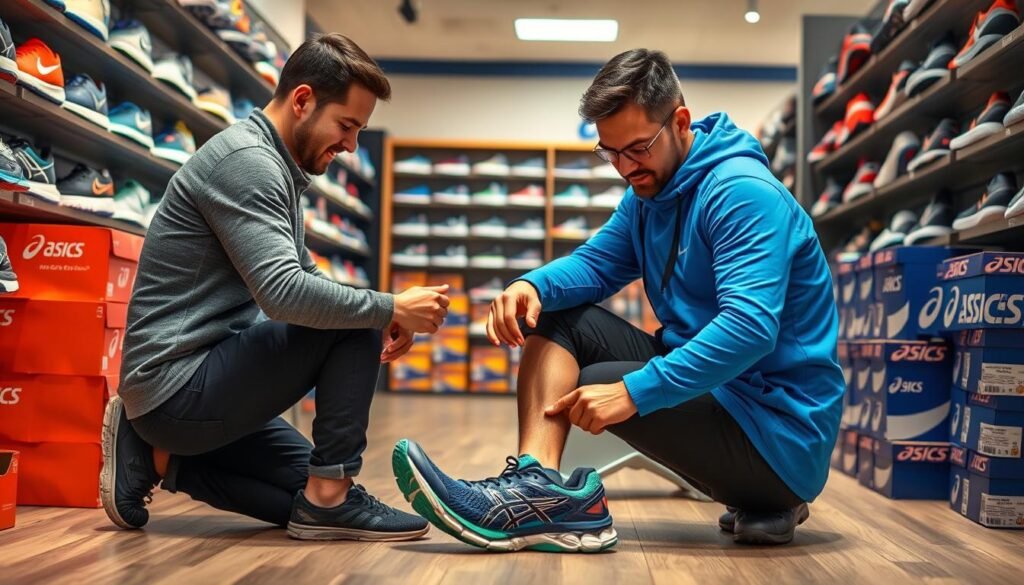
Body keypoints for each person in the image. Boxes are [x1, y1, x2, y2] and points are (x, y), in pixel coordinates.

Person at [393, 48, 844, 550]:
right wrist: (531, 285)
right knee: (557, 313)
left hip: (778, 437)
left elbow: (749, 328)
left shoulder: (742, 194)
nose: (625, 168)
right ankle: (533, 487)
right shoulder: (649, 196)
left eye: (638, 148)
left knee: (607, 381)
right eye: (610, 153)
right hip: (723, 400)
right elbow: (594, 265)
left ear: (680, 122)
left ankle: (764, 495)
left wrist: (634, 392)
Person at [104, 33, 450, 541]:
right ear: (303, 100)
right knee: (355, 324)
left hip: (188, 389)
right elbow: (283, 294)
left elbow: (305, 275)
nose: (351, 145)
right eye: (347, 126)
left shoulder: (277, 168)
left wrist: (385, 311)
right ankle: (331, 497)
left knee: (301, 495)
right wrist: (389, 307)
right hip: (178, 383)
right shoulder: (246, 162)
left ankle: (156, 458)